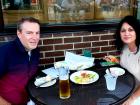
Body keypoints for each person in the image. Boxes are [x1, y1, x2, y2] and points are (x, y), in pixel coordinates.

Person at [0, 17, 40, 105]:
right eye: (29, 33)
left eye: (37, 33)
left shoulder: (35, 50)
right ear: (19, 34)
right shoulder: (5, 52)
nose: (35, 37)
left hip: (31, 100)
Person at [114, 15, 140, 105]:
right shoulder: (125, 47)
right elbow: (127, 65)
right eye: (123, 30)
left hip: (137, 93)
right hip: (128, 87)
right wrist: (115, 60)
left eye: (130, 30)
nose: (126, 33)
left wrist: (132, 98)